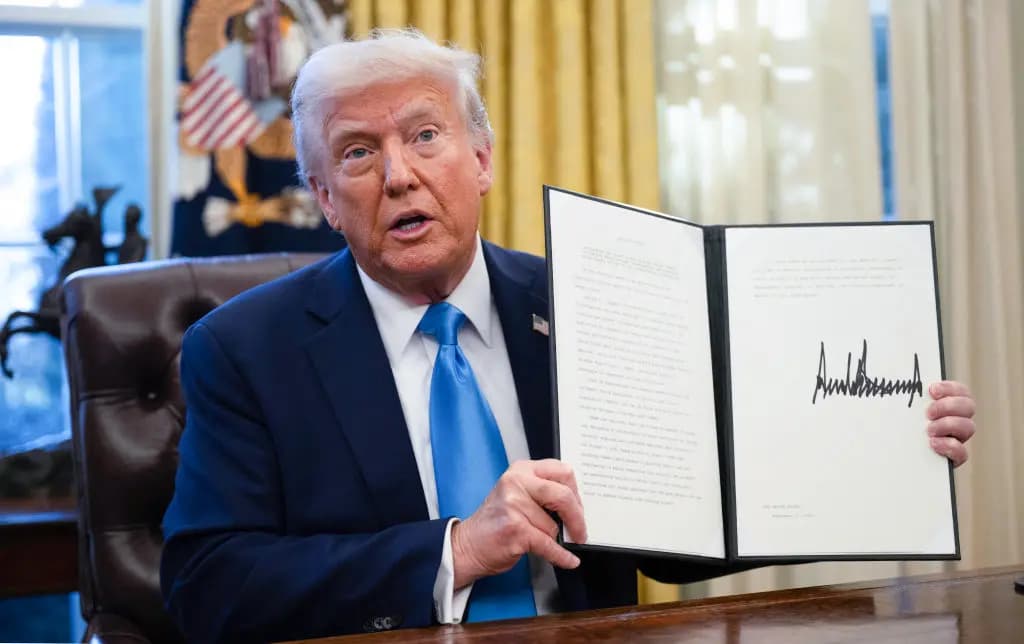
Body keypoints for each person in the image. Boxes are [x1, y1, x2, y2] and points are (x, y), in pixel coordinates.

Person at [160, 29, 978, 642]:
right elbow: (208, 586)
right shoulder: (243, 349)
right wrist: (455, 552)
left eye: (425, 135)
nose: (400, 174)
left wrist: (880, 442)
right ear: (325, 198)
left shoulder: (592, 300)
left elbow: (686, 528)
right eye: (358, 152)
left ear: (481, 159)